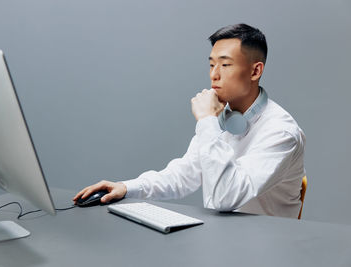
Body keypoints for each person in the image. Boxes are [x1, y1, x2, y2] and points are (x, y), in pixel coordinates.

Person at [73, 23, 306, 218]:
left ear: (255, 71)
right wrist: (127, 188)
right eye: (212, 64)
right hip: (224, 243)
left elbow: (224, 198)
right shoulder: (223, 117)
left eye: (225, 65)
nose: (214, 74)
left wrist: (206, 120)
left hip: (268, 250)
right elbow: (184, 175)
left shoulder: (281, 132)